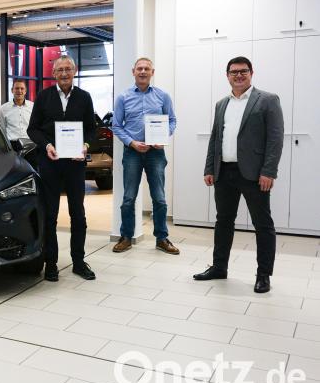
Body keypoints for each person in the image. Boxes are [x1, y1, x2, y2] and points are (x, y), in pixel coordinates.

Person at [195, 56, 284, 294]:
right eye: (233, 72)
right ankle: (219, 267)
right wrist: (209, 168)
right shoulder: (221, 104)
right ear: (227, 76)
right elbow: (216, 138)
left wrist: (269, 171)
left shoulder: (267, 100)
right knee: (223, 222)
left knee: (262, 224)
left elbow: (275, 139)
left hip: (255, 175)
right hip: (224, 172)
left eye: (243, 71)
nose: (238, 75)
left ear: (251, 73)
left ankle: (263, 275)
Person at [27, 55, 97, 282]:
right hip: (50, 162)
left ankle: (78, 262)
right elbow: (33, 129)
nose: (64, 73)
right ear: (54, 73)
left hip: (76, 164)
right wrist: (46, 145)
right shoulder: (44, 96)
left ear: (74, 71)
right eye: (60, 70)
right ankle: (51, 263)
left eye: (68, 69)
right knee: (50, 214)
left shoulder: (84, 98)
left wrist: (86, 145)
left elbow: (91, 129)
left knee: (78, 213)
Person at [111, 58, 179, 255]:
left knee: (159, 198)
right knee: (128, 197)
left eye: (146, 69)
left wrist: (164, 137)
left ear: (152, 72)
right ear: (133, 71)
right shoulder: (123, 97)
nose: (142, 71)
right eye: (139, 68)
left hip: (155, 153)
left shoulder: (162, 96)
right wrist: (132, 143)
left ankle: (162, 238)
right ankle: (126, 237)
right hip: (132, 152)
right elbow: (116, 125)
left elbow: (172, 120)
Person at [0, 79, 36, 166]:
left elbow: (36, 127)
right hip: (13, 147)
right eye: (16, 88)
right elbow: (3, 129)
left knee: (31, 170)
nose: (19, 91)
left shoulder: (33, 106)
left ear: (25, 91)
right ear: (12, 90)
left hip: (31, 146)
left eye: (22, 88)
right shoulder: (4, 108)